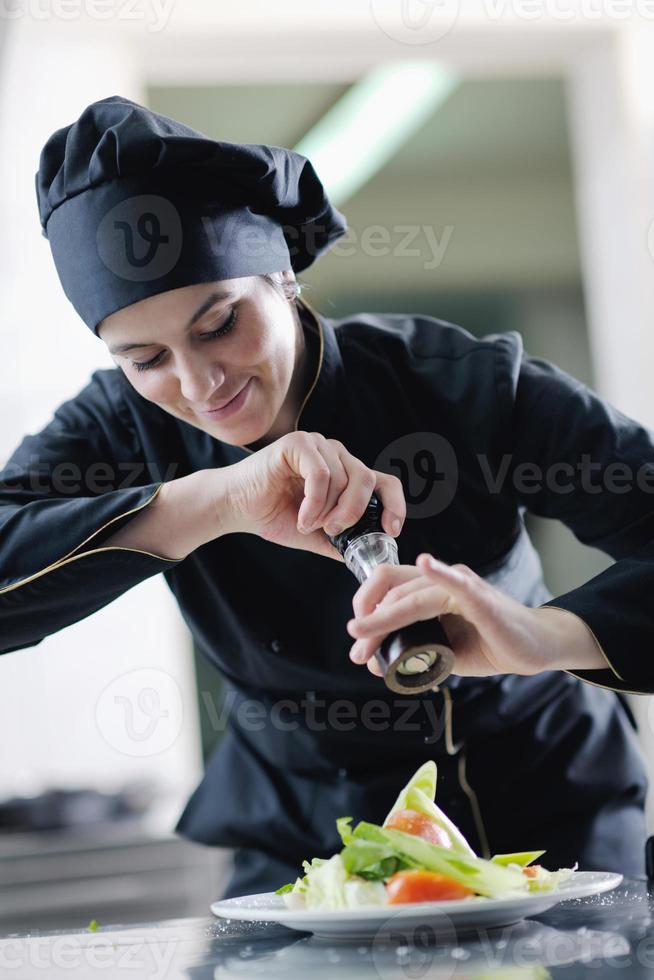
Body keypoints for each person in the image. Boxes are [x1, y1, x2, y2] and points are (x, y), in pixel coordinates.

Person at [1, 96, 651, 897]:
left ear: (282, 277)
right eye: (146, 359)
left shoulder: (465, 386)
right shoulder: (117, 430)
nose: (201, 386)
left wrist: (546, 635)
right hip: (307, 855)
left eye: (219, 324)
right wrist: (210, 503)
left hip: (558, 817)